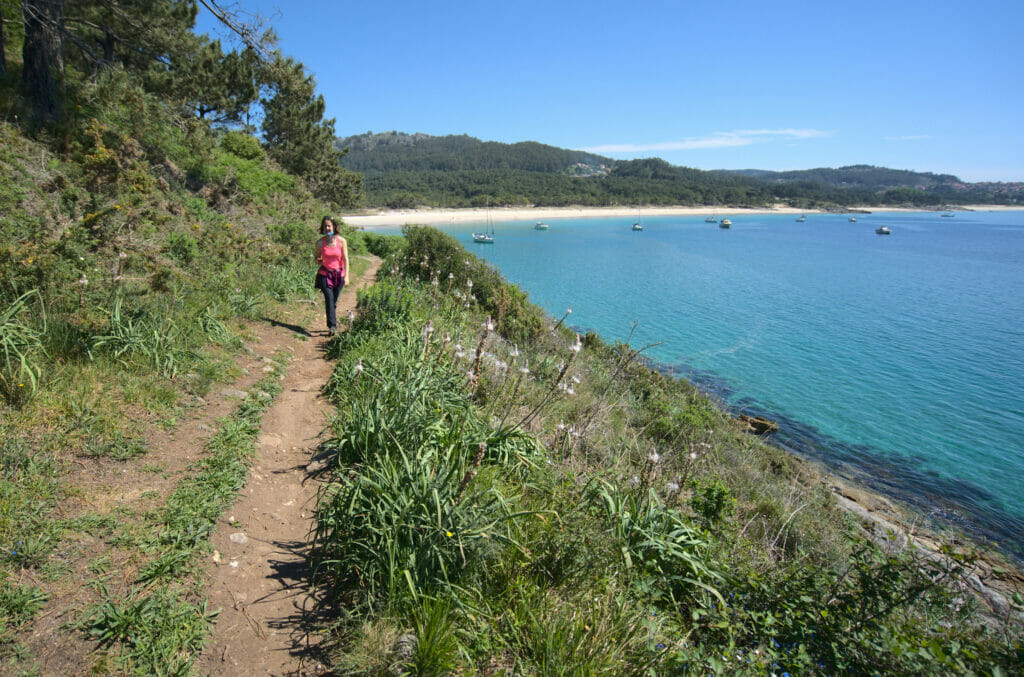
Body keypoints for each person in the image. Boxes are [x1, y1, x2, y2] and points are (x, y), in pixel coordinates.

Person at [314, 216, 350, 335]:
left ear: (334, 227)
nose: (327, 228)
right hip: (325, 274)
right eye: (325, 226)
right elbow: (317, 257)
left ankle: (332, 319)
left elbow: (345, 259)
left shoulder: (341, 241)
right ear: (322, 227)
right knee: (329, 299)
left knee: (333, 301)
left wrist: (347, 276)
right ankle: (332, 326)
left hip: (339, 275)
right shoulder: (320, 243)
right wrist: (318, 260)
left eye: (329, 225)